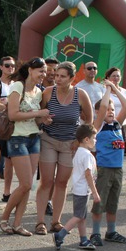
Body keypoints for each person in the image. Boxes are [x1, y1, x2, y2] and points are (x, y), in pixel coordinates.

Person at [34, 61, 95, 235]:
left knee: (62, 182)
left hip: (70, 143)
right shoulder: (47, 93)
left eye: (62, 76)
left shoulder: (80, 94)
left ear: (72, 78)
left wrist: (80, 142)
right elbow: (37, 116)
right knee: (46, 181)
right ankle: (40, 222)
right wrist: (42, 120)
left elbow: (89, 122)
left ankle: (56, 221)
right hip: (49, 139)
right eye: (55, 75)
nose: (57, 79)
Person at [0, 57, 52, 236]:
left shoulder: (39, 91)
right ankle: (3, 218)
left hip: (33, 137)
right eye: (41, 71)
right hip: (17, 138)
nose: (43, 75)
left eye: (45, 72)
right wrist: (38, 112)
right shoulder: (17, 87)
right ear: (30, 70)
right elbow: (13, 114)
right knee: (26, 183)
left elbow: (34, 117)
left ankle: (18, 223)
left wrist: (43, 119)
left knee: (28, 185)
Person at [89, 80, 126, 246]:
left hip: (117, 169)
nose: (111, 112)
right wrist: (107, 89)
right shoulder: (98, 127)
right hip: (104, 169)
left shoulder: (117, 126)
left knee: (113, 203)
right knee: (100, 202)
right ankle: (95, 232)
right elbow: (103, 106)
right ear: (98, 112)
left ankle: (111, 231)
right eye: (107, 110)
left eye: (113, 110)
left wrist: (114, 89)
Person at [53, 124, 100, 250]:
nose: (95, 140)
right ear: (86, 139)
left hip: (79, 189)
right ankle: (60, 235)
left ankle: (83, 239)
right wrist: (95, 193)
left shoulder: (79, 152)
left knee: (82, 216)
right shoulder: (87, 155)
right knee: (78, 216)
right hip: (83, 190)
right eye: (94, 138)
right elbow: (88, 174)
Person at [0, 56, 16, 201]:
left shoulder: (16, 83)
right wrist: (8, 105)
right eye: (7, 65)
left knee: (9, 160)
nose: (10, 68)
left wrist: (7, 103)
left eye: (12, 66)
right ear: (1, 67)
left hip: (11, 125)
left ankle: (6, 192)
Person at [102, 67, 126, 131]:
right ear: (108, 78)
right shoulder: (103, 90)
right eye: (113, 76)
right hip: (106, 123)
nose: (116, 78)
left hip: (121, 123)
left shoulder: (124, 91)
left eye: (118, 76)